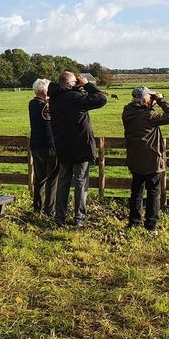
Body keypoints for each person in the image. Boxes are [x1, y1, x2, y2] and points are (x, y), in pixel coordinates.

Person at [48, 71, 107, 226]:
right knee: (80, 182)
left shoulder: (53, 99)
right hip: (80, 146)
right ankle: (79, 218)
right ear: (70, 84)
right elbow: (101, 99)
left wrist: (76, 87)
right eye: (75, 82)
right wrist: (87, 85)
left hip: (62, 146)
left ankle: (59, 217)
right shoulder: (75, 98)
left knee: (63, 182)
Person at [122, 86, 169, 235]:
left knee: (136, 192)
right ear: (145, 100)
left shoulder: (127, 112)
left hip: (135, 160)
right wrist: (160, 100)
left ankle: (134, 222)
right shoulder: (149, 116)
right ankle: (151, 226)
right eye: (149, 97)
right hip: (152, 161)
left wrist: (150, 103)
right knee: (153, 192)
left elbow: (139, 111)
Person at [28, 78, 58, 216]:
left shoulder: (32, 103)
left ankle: (37, 209)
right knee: (52, 180)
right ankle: (49, 211)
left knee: (40, 179)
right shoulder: (47, 106)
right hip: (49, 145)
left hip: (35, 146)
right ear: (45, 91)